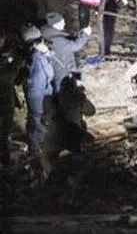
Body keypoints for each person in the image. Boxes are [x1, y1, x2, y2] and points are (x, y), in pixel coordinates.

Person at [42, 74, 95, 168]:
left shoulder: (49, 99)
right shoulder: (77, 98)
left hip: (54, 138)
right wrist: (83, 97)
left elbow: (43, 119)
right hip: (73, 136)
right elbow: (91, 111)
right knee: (88, 141)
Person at [22, 25, 55, 160]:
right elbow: (33, 82)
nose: (42, 42)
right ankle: (35, 148)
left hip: (44, 89)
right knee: (36, 118)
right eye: (39, 40)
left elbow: (52, 60)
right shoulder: (32, 58)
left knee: (41, 118)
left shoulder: (40, 53)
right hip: (36, 93)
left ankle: (41, 143)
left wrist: (46, 52)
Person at [40, 13, 91, 91]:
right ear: (55, 25)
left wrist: (81, 33)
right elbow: (75, 46)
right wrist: (85, 35)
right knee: (63, 89)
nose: (64, 23)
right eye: (62, 22)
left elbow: (68, 39)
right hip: (63, 70)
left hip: (59, 66)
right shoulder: (57, 40)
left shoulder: (49, 33)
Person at [0, 34, 19, 166]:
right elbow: (13, 76)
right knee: (4, 131)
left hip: (6, 101)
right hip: (5, 103)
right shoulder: (6, 71)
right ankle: (5, 160)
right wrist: (13, 63)